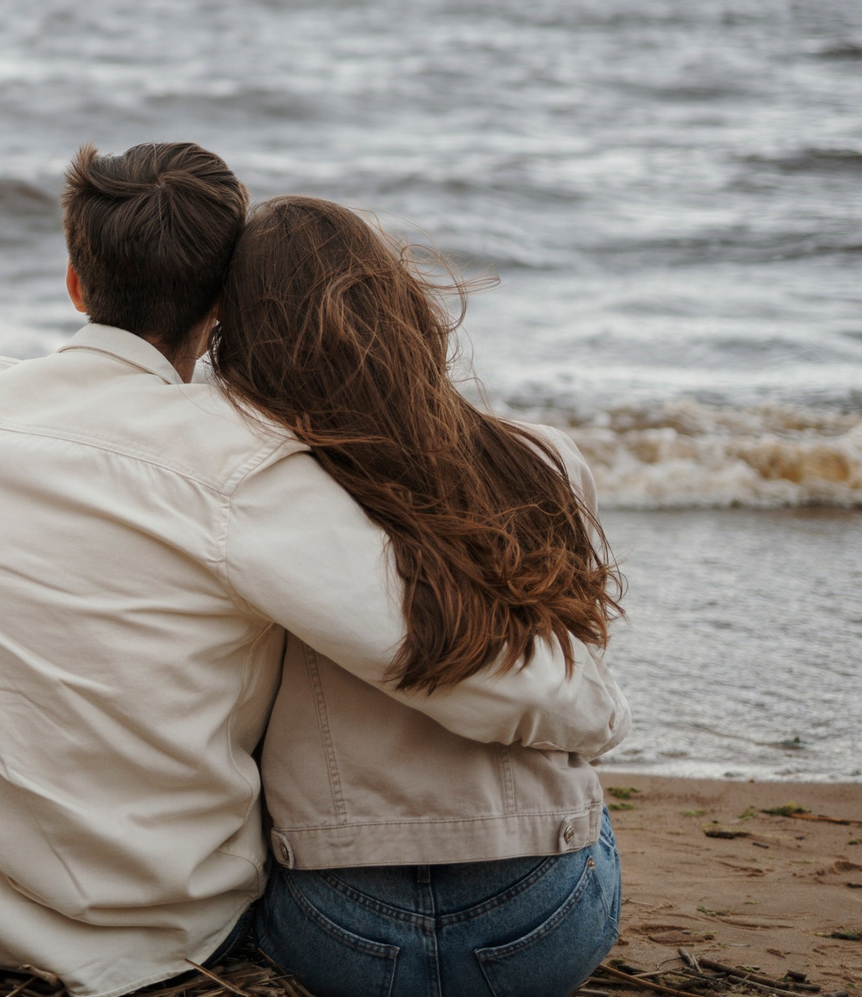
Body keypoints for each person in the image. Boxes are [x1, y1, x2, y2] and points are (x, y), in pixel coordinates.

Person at [0, 144, 629, 997]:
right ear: (222, 306)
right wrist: (597, 708)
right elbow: (446, 663)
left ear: (76, 282)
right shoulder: (241, 464)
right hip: (141, 931)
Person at [213, 196, 628, 997]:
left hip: (342, 929)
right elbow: (573, 667)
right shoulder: (543, 459)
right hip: (542, 920)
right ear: (400, 306)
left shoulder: (258, 493)